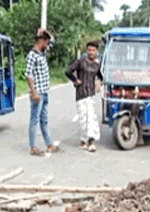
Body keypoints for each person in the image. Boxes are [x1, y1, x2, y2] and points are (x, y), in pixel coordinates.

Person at [25, 28, 60, 156]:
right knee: (34, 120)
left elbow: (53, 42)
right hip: (38, 93)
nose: (48, 45)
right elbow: (28, 75)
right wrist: (34, 92)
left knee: (44, 120)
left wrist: (46, 31)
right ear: (42, 41)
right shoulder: (32, 55)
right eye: (46, 42)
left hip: (45, 92)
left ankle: (49, 144)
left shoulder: (42, 53)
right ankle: (33, 147)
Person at [65, 41, 103, 152]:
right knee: (83, 118)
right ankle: (83, 141)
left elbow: (102, 77)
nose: (91, 52)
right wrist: (75, 80)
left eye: (93, 50)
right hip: (81, 94)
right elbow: (68, 71)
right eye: (89, 50)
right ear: (86, 51)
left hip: (90, 94)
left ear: (97, 51)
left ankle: (90, 142)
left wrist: (99, 84)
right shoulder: (80, 62)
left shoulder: (98, 65)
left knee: (91, 118)